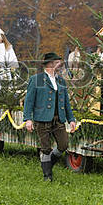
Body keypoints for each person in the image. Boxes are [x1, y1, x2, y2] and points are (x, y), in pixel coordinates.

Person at [23, 52, 77, 181]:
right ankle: (48, 176)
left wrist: (71, 119)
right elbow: (29, 101)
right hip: (42, 119)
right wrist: (28, 119)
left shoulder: (61, 81)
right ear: (51, 64)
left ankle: (47, 164)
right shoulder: (36, 79)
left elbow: (66, 102)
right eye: (58, 62)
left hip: (59, 120)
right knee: (46, 148)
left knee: (63, 145)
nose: (60, 65)